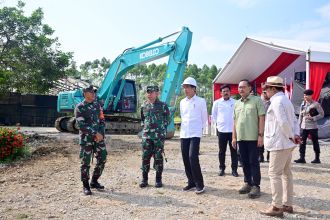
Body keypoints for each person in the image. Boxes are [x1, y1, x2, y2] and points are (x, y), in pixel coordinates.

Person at [260, 76, 300, 217]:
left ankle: (276, 207)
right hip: (286, 142)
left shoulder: (276, 101)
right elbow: (295, 120)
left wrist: (291, 135)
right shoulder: (285, 100)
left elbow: (283, 122)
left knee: (274, 174)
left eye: (267, 89)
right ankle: (287, 204)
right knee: (286, 174)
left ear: (272, 88)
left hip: (279, 143)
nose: (266, 92)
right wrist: (294, 135)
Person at [232, 79, 265, 199]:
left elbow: (261, 118)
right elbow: (235, 121)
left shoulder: (257, 100)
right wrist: (234, 137)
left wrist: (260, 135)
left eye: (243, 87)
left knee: (254, 162)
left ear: (250, 88)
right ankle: (247, 183)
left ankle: (256, 185)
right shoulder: (237, 103)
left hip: (253, 137)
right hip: (241, 138)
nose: (241, 89)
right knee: (244, 162)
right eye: (239, 87)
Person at [75, 85, 107, 195]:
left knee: (102, 159)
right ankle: (85, 185)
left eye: (94, 92)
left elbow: (102, 120)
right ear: (84, 93)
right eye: (91, 92)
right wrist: (95, 133)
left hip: (99, 139)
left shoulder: (97, 106)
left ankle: (94, 181)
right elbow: (81, 125)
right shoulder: (80, 107)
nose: (93, 93)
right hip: (86, 139)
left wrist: (101, 134)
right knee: (85, 162)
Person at [180, 77, 208, 194]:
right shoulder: (182, 102)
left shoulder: (201, 101)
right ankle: (191, 182)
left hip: (195, 133)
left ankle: (199, 184)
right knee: (186, 158)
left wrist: (199, 129)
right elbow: (182, 117)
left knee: (193, 157)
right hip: (184, 133)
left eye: (188, 87)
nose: (185, 89)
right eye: (184, 87)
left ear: (194, 88)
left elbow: (204, 118)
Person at [139, 85, 170, 188]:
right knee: (145, 157)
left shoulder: (163, 105)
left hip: (158, 137)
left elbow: (167, 119)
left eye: (152, 92)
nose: (150, 94)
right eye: (148, 92)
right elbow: (143, 119)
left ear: (157, 94)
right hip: (147, 137)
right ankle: (144, 179)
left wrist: (161, 129)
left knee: (158, 158)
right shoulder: (144, 106)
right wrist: (145, 129)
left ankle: (158, 179)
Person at [211, 84, 238, 177]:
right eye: (224, 91)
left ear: (230, 92)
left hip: (233, 131)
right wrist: (218, 125)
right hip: (221, 130)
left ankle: (234, 169)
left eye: (227, 91)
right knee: (222, 151)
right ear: (221, 93)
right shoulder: (217, 103)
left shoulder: (235, 102)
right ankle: (221, 168)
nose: (226, 93)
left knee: (234, 151)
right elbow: (213, 116)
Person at [294, 89, 324, 164]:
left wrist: (313, 118)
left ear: (311, 95)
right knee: (302, 142)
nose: (305, 97)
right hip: (304, 126)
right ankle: (302, 158)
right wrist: (299, 125)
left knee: (315, 142)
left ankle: (317, 158)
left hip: (313, 127)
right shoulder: (303, 104)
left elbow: (322, 114)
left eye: (307, 95)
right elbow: (300, 115)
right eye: (304, 95)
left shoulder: (316, 104)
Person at [259, 88, 271, 162]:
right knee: (261, 139)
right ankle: (261, 155)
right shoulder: (260, 102)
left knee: (270, 139)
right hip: (262, 123)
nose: (265, 94)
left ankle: (269, 154)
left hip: (270, 124)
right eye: (264, 92)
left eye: (266, 92)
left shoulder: (272, 102)